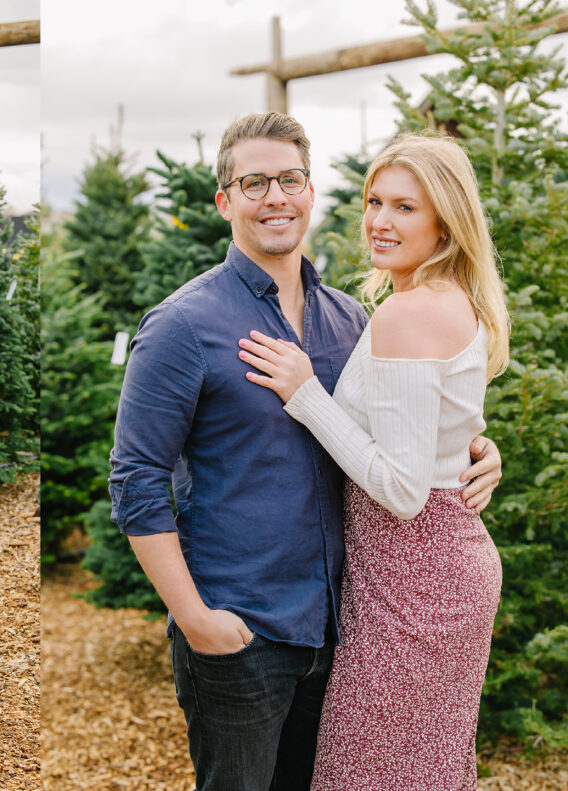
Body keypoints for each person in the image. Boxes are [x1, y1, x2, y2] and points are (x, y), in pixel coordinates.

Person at [107, 113, 503, 791]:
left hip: (344, 627)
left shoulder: (350, 318)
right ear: (225, 200)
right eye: (253, 182)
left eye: (289, 178)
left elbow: (399, 430)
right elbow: (135, 479)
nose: (275, 197)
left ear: (312, 191)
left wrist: (473, 451)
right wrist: (196, 617)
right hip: (243, 630)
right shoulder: (183, 324)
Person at [239, 133, 509, 790]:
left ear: (445, 218)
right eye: (374, 201)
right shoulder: (446, 299)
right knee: (419, 770)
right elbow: (437, 425)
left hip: (419, 581)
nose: (380, 222)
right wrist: (478, 447)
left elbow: (402, 487)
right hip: (434, 567)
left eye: (405, 208)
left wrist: (305, 393)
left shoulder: (407, 314)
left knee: (364, 770)